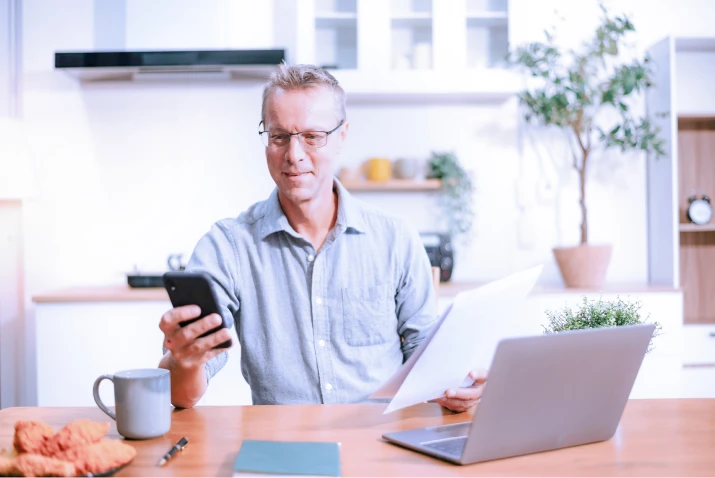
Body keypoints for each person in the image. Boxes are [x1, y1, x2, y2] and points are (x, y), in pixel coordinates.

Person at [158, 63, 486, 412]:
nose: (294, 155)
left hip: (378, 442)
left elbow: (428, 362)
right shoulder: (228, 246)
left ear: (342, 135)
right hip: (282, 447)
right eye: (279, 136)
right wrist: (184, 362)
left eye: (312, 137)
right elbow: (181, 396)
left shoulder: (395, 239)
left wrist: (456, 386)